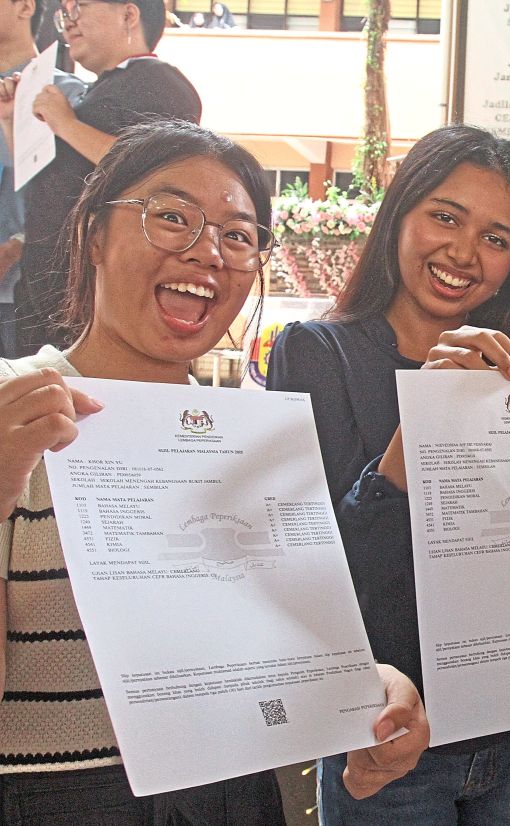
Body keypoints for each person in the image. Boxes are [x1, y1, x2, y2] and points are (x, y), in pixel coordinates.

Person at [0, 120, 430, 825]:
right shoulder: (13, 407)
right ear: (94, 235)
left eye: (239, 235)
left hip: (237, 799)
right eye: (172, 217)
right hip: (56, 798)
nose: (208, 251)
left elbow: (282, 651)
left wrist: (372, 693)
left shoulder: (248, 443)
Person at [266, 124, 510, 826]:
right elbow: (317, 580)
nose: (463, 252)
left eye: (496, 237)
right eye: (445, 217)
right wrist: (420, 432)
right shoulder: (317, 353)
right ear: (401, 213)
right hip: (387, 742)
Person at [1, 0, 200, 355]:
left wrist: (67, 124)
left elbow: (155, 169)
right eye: (64, 14)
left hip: (87, 293)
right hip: (44, 285)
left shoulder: (161, 82)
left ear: (129, 14)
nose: (68, 24)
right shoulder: (98, 90)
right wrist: (12, 120)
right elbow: (40, 180)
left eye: (78, 9)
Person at [0, 0, 85, 357]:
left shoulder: (66, 96)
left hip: (21, 300)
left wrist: (17, 246)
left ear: (24, 6)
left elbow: (76, 197)